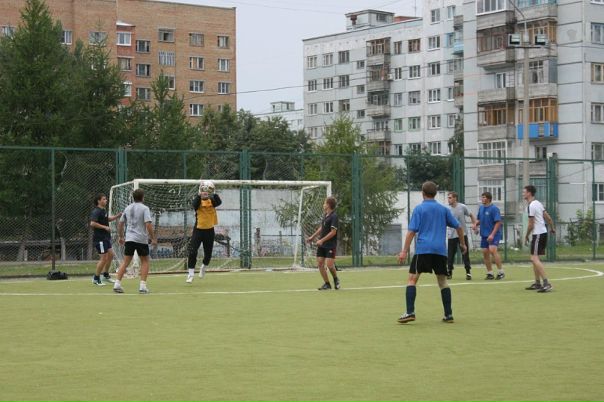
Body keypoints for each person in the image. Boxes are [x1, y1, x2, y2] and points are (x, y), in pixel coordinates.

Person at [397, 181, 466, 324]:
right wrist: (462, 243)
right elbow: (459, 227)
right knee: (443, 282)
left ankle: (410, 312)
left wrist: (404, 251)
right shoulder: (443, 209)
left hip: (423, 249)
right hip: (440, 251)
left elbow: (411, 232)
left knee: (412, 280)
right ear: (435, 193)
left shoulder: (419, 209)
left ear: (423, 193)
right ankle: (448, 315)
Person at [113, 189, 156, 294]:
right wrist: (153, 238)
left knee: (125, 262)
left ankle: (117, 284)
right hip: (141, 239)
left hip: (129, 239)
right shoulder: (145, 208)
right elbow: (148, 224)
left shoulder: (127, 208)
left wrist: (121, 236)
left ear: (133, 197)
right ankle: (142, 286)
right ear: (143, 197)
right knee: (145, 261)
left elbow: (120, 224)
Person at [186, 180, 222, 283]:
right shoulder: (198, 201)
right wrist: (199, 194)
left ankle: (203, 267)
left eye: (207, 191)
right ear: (200, 191)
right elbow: (194, 204)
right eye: (203, 191)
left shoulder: (212, 201)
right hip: (198, 230)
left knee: (208, 254)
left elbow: (219, 202)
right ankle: (190, 274)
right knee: (192, 251)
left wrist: (213, 192)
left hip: (209, 231)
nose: (205, 193)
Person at [523, 185, 556, 293]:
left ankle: (547, 283)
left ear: (529, 193)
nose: (523, 194)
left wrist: (526, 236)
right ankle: (537, 283)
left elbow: (531, 224)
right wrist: (552, 228)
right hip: (543, 233)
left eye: (524, 192)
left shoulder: (531, 206)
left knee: (534, 259)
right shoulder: (538, 203)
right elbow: (548, 218)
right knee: (534, 258)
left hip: (537, 234)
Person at [306, 196, 340, 290]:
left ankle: (336, 279)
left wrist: (322, 240)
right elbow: (322, 228)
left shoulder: (334, 216)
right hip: (322, 245)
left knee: (329, 265)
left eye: (325, 203)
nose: (323, 204)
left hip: (330, 245)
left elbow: (333, 232)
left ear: (328, 205)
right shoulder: (325, 215)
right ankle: (327, 284)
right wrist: (313, 237)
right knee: (320, 264)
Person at [89, 194, 122, 286]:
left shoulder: (103, 210)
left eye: (106, 199)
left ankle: (105, 275)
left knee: (111, 255)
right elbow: (92, 223)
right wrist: (104, 227)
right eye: (104, 199)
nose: (106, 200)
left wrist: (117, 216)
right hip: (100, 239)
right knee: (103, 258)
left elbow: (107, 219)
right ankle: (96, 279)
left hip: (106, 238)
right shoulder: (96, 211)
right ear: (99, 201)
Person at [472, 191, 505, 280]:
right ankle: (490, 273)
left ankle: (501, 272)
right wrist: (475, 225)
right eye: (482, 197)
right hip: (484, 234)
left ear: (489, 199)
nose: (482, 199)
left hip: (494, 234)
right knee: (485, 252)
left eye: (484, 197)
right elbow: (479, 220)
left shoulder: (494, 209)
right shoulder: (481, 208)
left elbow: (498, 222)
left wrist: (492, 235)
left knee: (492, 250)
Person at [446, 191, 476, 280]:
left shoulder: (462, 207)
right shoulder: (447, 209)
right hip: (451, 236)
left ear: (455, 198)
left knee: (465, 254)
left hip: (463, 235)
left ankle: (468, 272)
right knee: (450, 255)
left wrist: (474, 225)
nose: (448, 199)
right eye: (448, 198)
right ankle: (449, 272)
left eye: (450, 198)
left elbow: (471, 215)